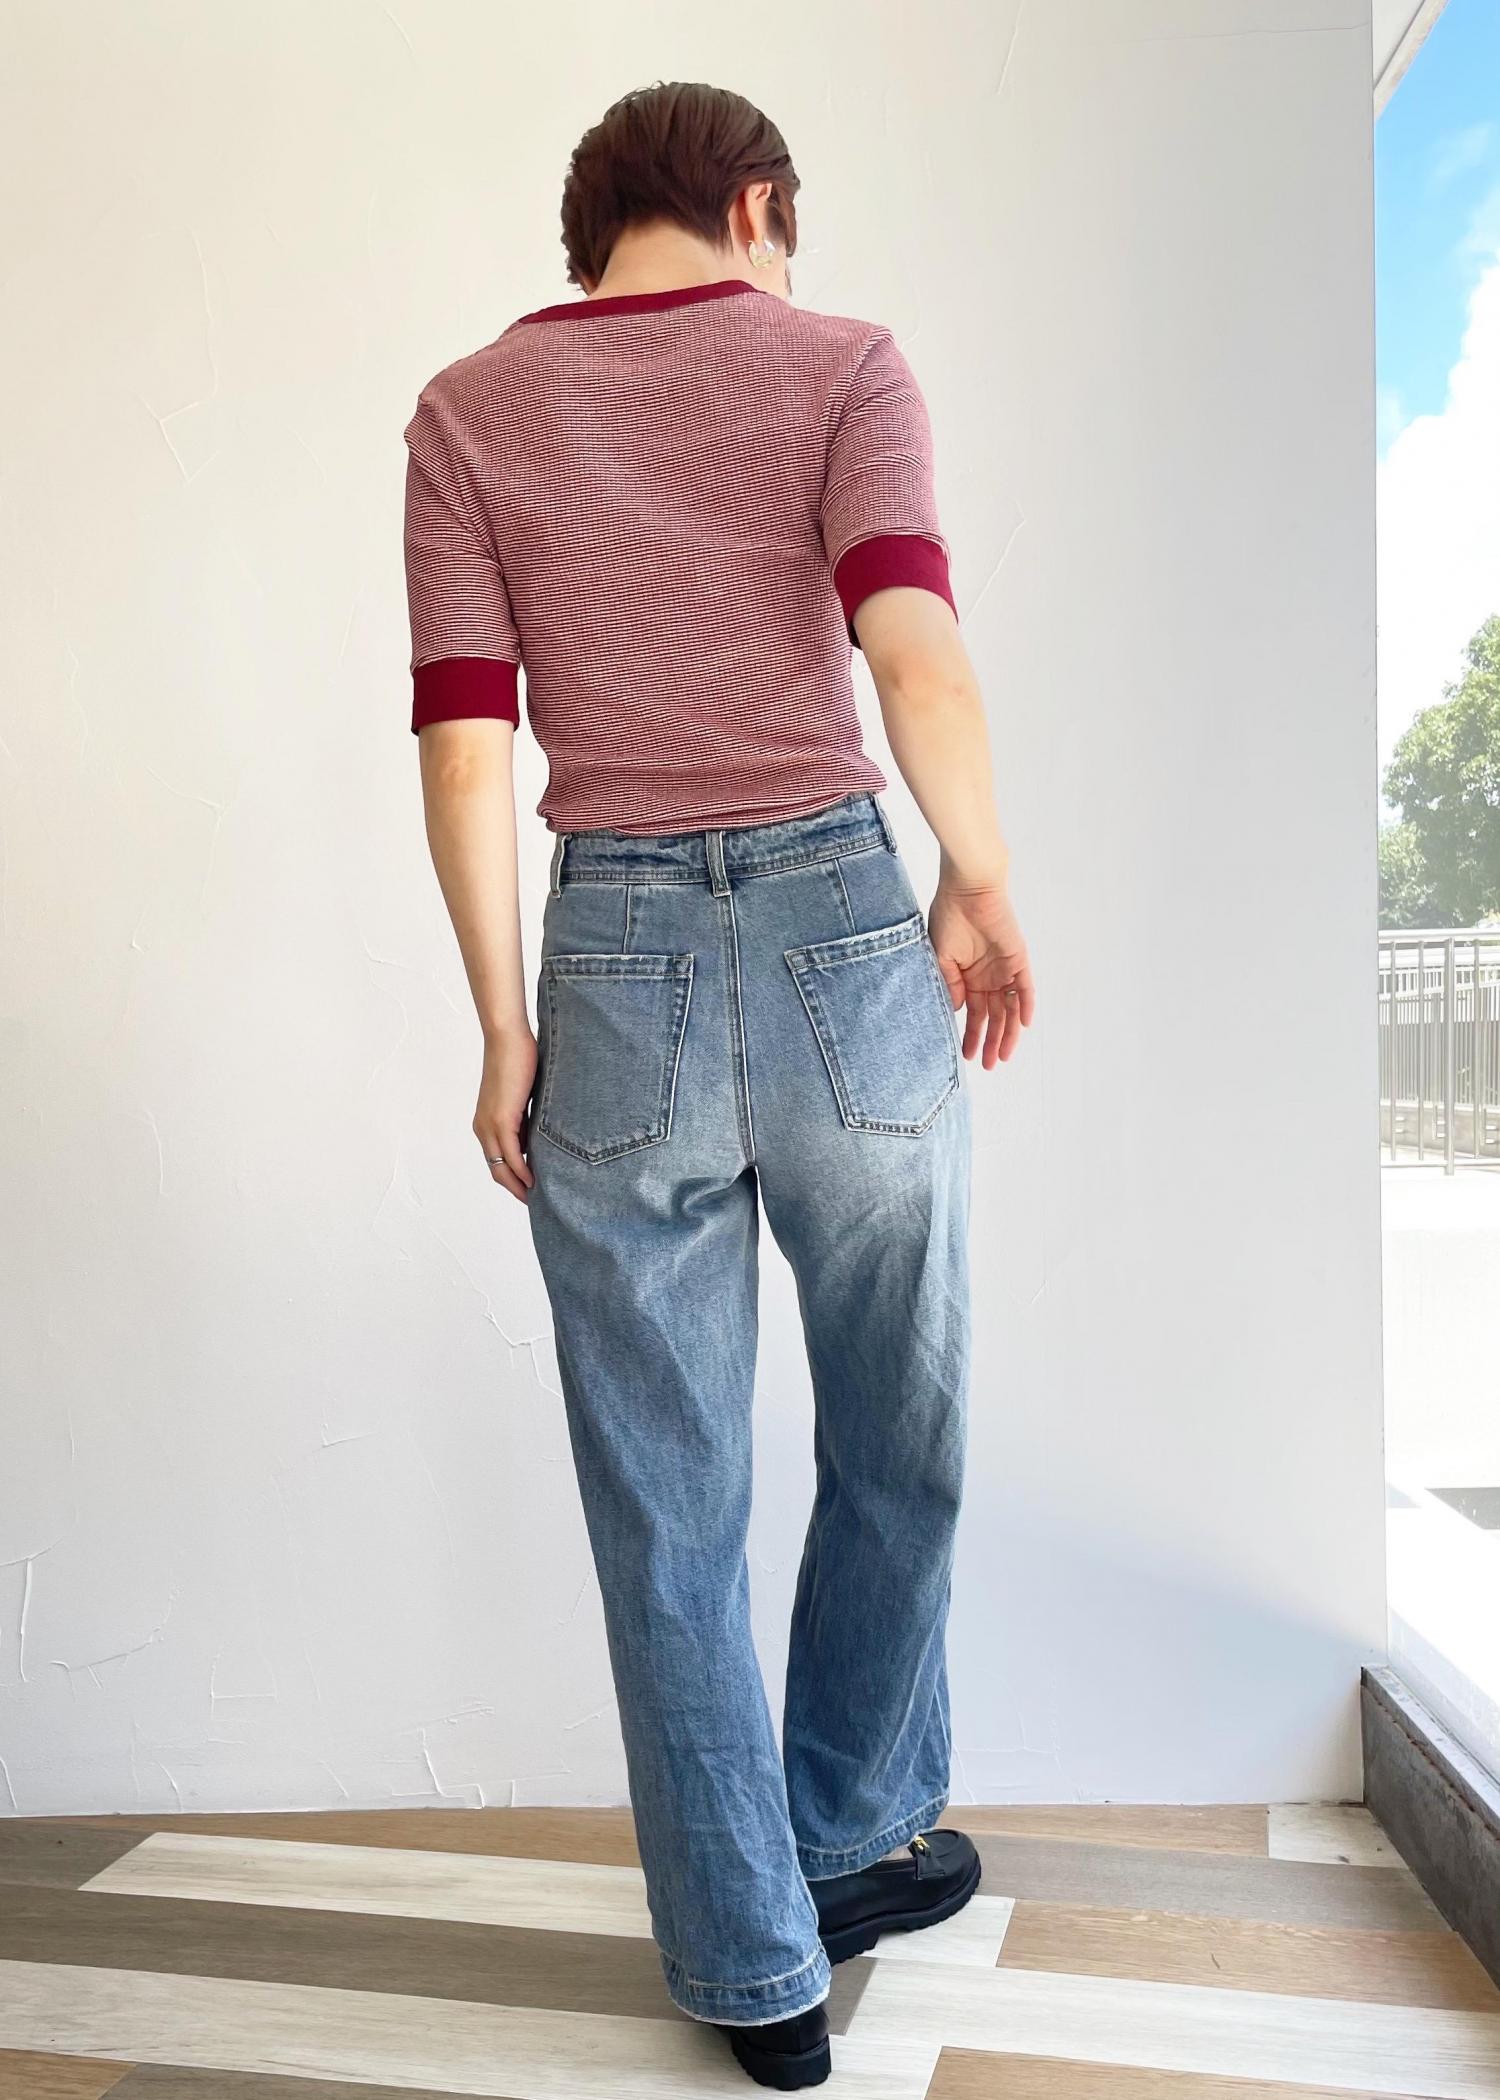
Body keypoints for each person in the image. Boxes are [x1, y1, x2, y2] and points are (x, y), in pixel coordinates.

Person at [402, 79, 1035, 2092]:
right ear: (757, 206)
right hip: (846, 931)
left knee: (665, 1504)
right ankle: (848, 1838)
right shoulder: (841, 364)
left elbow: (465, 746)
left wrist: (504, 1025)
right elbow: (912, 650)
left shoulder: (464, 415)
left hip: (613, 962)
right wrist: (979, 878)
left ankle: (759, 1967)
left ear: (597, 226)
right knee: (902, 1429)